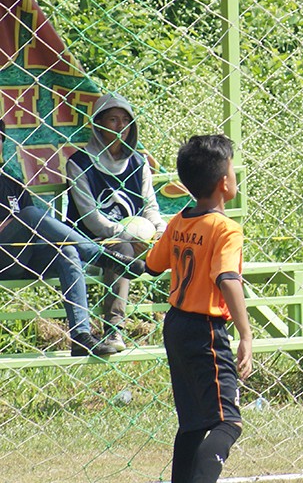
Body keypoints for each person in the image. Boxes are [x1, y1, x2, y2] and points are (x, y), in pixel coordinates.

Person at [145, 134, 252, 483]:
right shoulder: (225, 228)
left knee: (192, 422)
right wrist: (246, 335)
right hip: (205, 329)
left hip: (175, 326)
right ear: (224, 182)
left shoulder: (179, 221)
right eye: (232, 169)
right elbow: (227, 278)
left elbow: (153, 264)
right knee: (227, 422)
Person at [0, 120, 146, 357]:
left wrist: (24, 224)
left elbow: (34, 228)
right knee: (28, 214)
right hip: (2, 257)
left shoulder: (11, 180)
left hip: (24, 258)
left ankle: (80, 336)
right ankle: (101, 255)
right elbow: (27, 219)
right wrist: (15, 223)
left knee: (67, 249)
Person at [66, 93, 166, 351]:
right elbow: (91, 218)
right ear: (97, 123)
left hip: (139, 241)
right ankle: (113, 330)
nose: (120, 126)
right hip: (94, 242)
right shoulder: (80, 163)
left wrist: (159, 231)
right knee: (120, 250)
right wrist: (127, 236)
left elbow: (150, 206)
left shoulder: (138, 162)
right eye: (112, 119)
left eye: (125, 120)